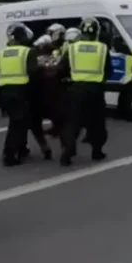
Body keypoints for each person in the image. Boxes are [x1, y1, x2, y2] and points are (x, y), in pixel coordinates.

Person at [56, 17, 111, 164]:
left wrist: (68, 79)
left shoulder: (72, 48)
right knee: (97, 122)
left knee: (73, 122)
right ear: (96, 31)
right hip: (95, 90)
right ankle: (97, 151)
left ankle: (67, 152)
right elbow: (108, 70)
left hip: (76, 89)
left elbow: (61, 69)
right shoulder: (103, 48)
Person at [0, 23, 50, 166]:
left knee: (16, 121)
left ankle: (20, 149)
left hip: (4, 92)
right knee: (18, 124)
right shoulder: (27, 52)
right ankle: (9, 155)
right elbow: (33, 72)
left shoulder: (1, 53)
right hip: (20, 91)